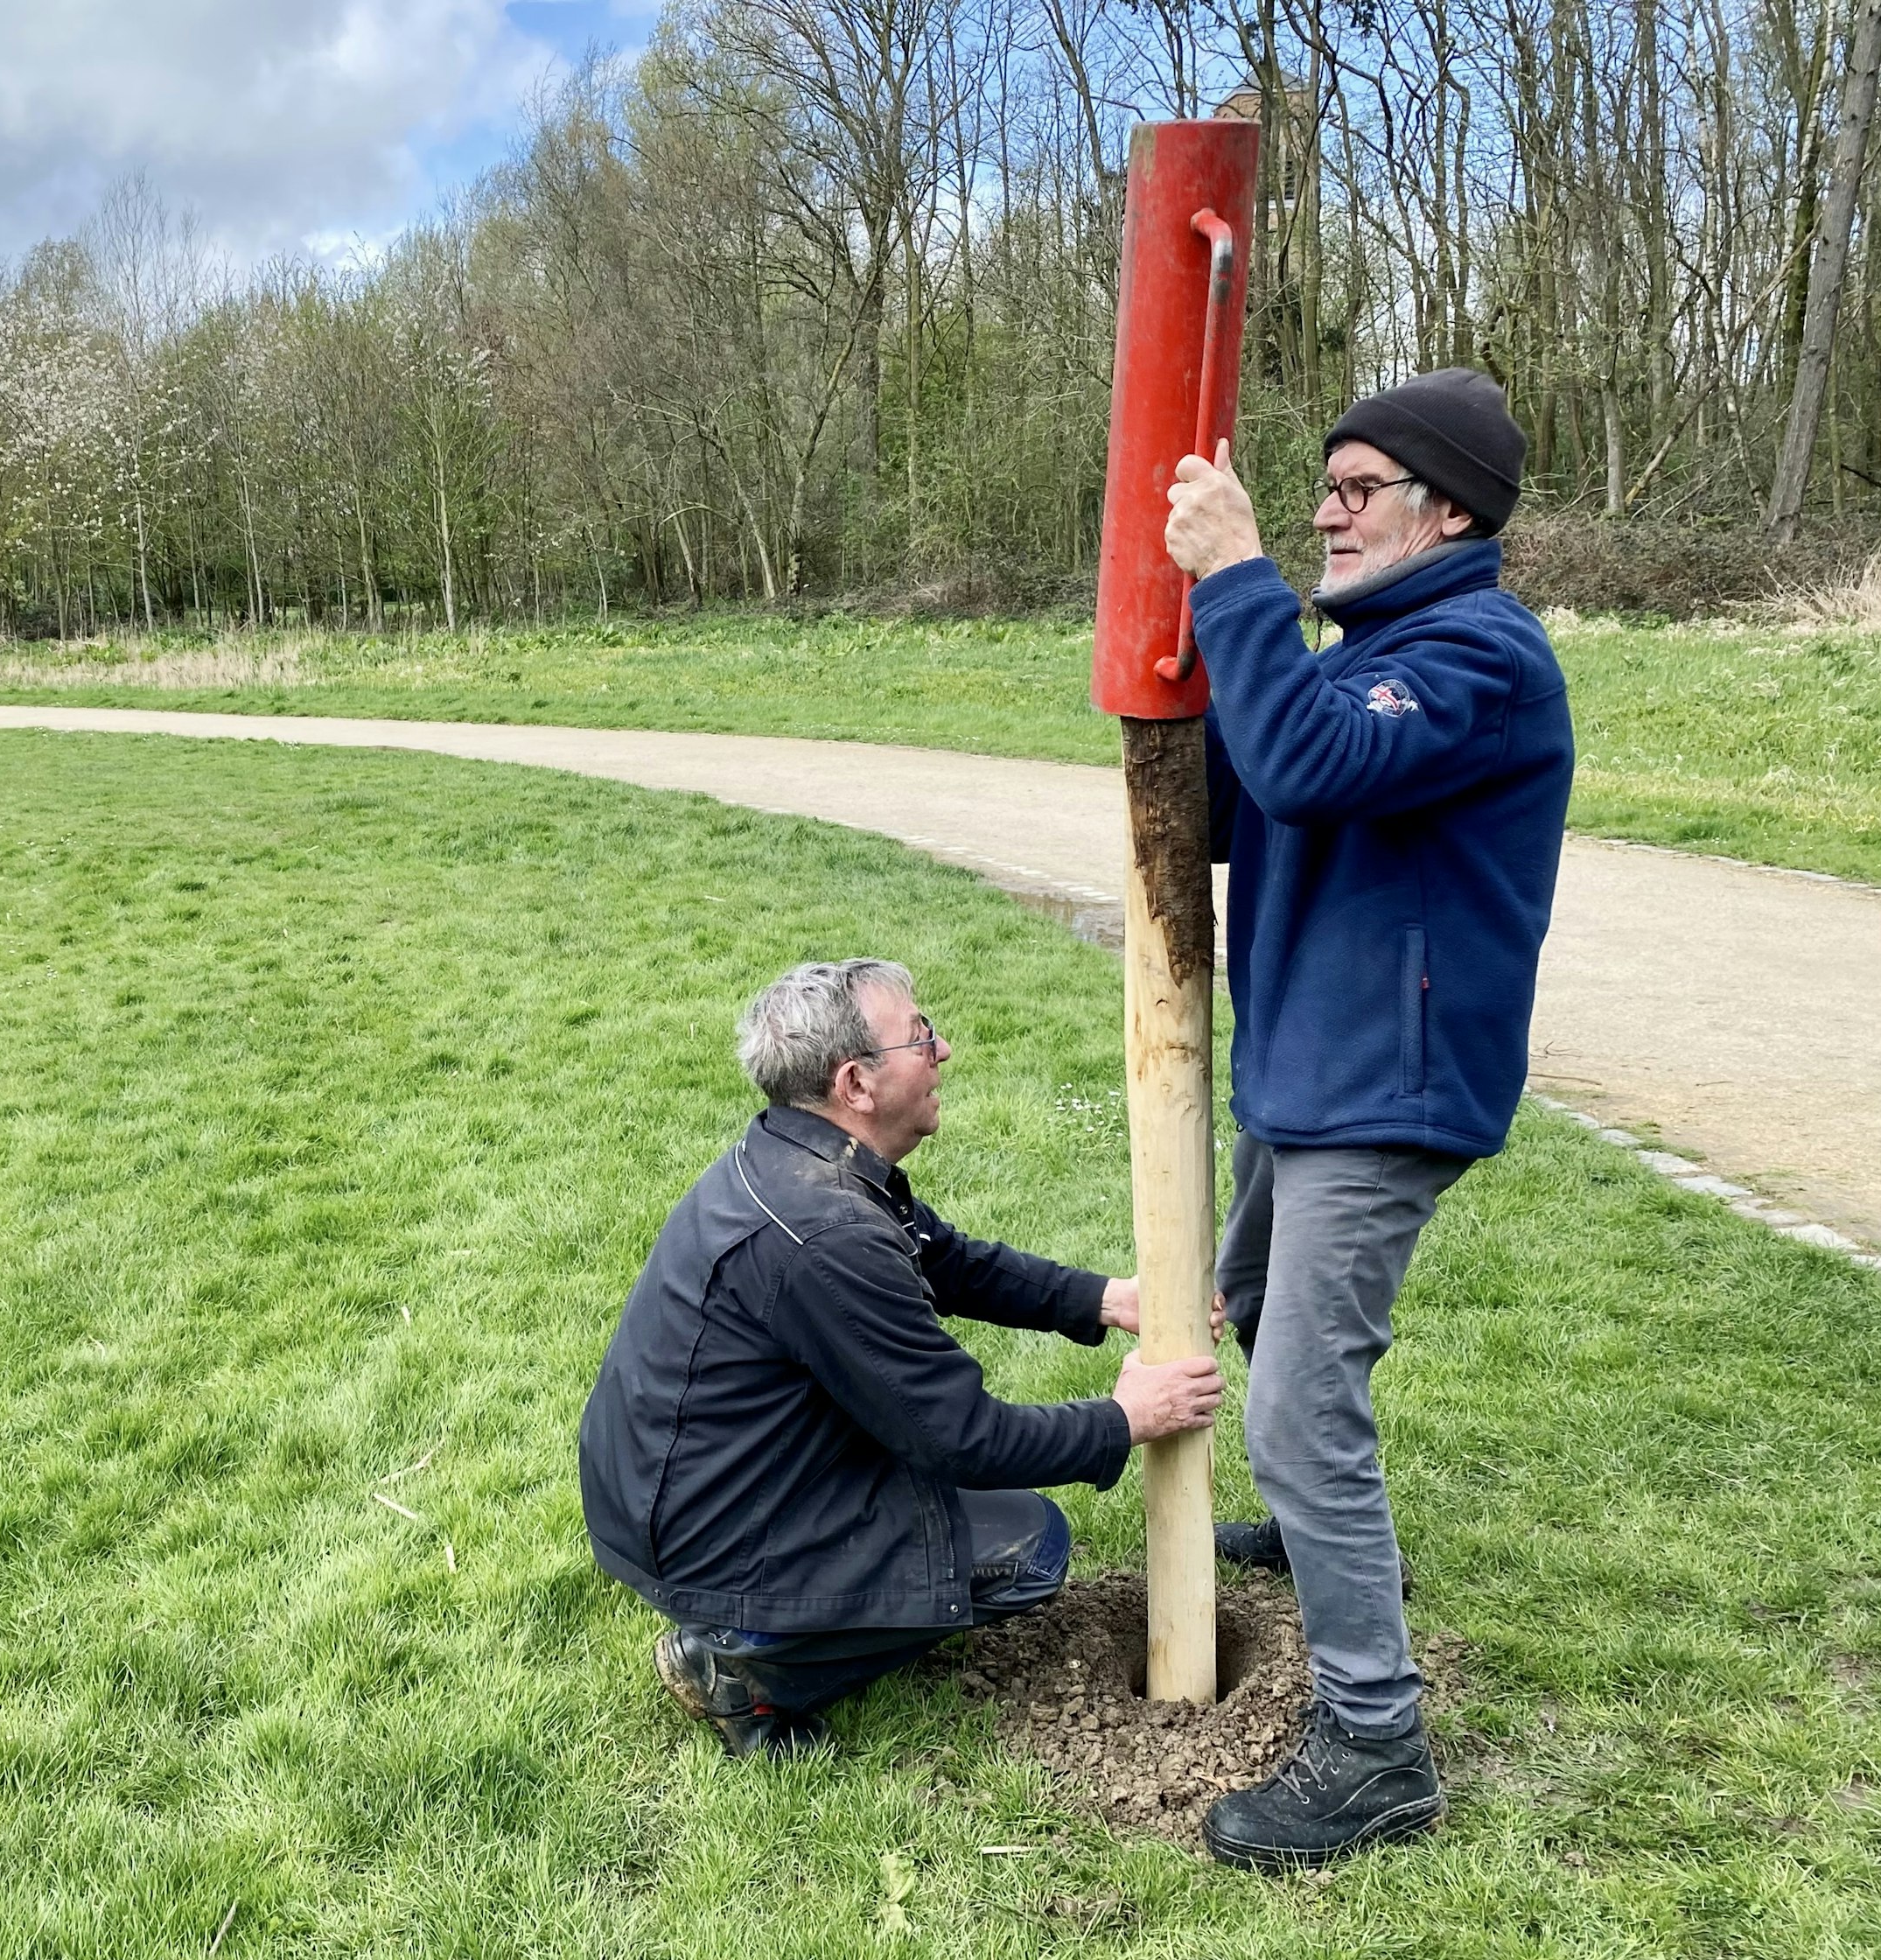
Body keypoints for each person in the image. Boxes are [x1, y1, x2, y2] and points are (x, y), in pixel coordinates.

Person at [1163, 368, 1573, 1868]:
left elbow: (1315, 766)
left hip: (1385, 1088)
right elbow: (1238, 792)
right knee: (1261, 1307)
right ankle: (1314, 1534)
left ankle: (1377, 1745)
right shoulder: (1358, 653)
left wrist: (1240, 578)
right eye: (1321, 486)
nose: (1327, 510)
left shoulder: (1477, 655)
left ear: (1447, 508)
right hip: (1308, 1068)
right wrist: (1196, 640)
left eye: (1358, 488)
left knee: (1296, 1407)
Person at [578, 958, 1224, 1760]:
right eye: (920, 1036)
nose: (943, 1048)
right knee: (1028, 1548)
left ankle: (759, 1618)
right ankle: (742, 1661)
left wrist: (1104, 1299)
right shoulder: (827, 1233)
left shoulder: (801, 1156)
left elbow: (943, 1259)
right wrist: (1126, 1419)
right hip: (705, 1528)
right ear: (856, 1083)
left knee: (943, 1504)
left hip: (687, 1483)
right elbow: (963, 1438)